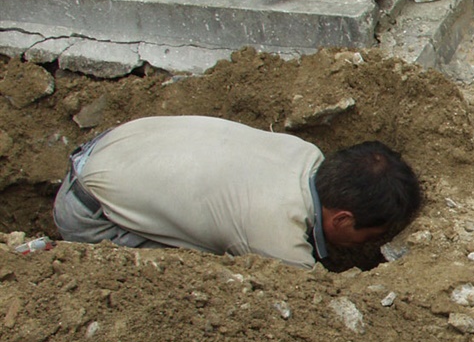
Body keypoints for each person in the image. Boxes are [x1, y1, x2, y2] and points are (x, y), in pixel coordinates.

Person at [52, 115, 422, 269]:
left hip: (112, 148)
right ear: (342, 218)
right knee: (205, 275)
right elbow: (310, 299)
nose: (362, 245)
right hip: (90, 212)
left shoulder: (305, 154)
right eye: (366, 236)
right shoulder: (274, 235)